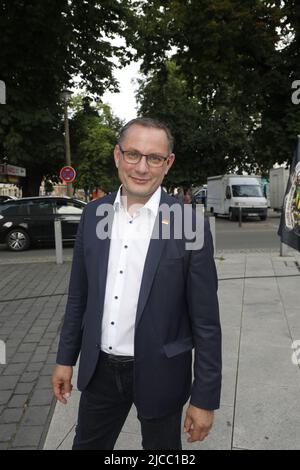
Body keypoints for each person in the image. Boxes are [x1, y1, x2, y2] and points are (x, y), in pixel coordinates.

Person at [51, 117, 222, 450]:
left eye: (154, 158)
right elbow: (78, 298)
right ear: (118, 156)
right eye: (133, 154)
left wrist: (204, 398)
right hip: (99, 370)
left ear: (167, 163)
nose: (142, 167)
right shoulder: (93, 214)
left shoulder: (189, 225)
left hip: (162, 372)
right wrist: (64, 359)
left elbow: (206, 323)